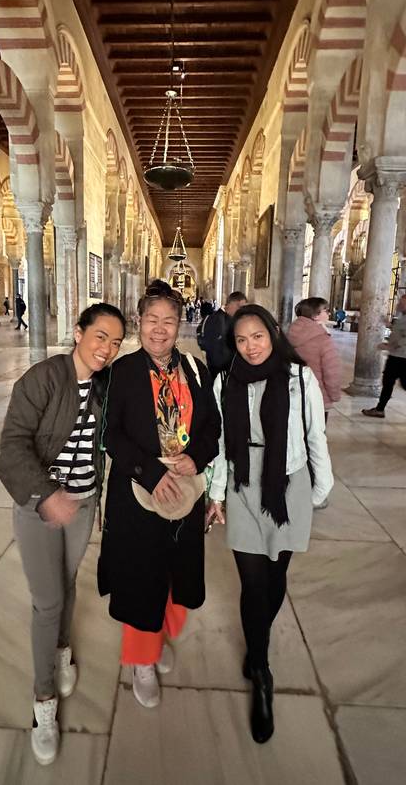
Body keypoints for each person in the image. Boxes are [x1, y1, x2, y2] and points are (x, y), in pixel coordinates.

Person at [0, 303, 125, 766]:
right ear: (78, 332)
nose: (106, 348)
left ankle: (63, 649)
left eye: (114, 341)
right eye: (100, 336)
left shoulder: (106, 384)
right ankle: (43, 702)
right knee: (47, 600)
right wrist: (48, 493)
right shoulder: (44, 378)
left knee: (67, 583)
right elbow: (11, 447)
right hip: (39, 504)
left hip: (84, 502)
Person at [207, 304, 333, 744]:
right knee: (253, 581)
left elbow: (315, 434)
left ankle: (255, 644)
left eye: (257, 336)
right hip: (244, 482)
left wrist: (319, 490)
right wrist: (217, 493)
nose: (250, 347)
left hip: (286, 482)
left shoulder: (299, 379)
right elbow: (223, 442)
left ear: (272, 333)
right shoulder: (225, 381)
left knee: (276, 573)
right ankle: (261, 669)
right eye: (241, 340)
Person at [98, 279, 221, 709]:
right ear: (139, 321)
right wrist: (150, 472)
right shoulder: (122, 372)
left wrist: (197, 458)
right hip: (138, 492)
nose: (160, 329)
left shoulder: (197, 368)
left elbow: (212, 427)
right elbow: (110, 435)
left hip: (185, 490)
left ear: (180, 324)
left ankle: (161, 632)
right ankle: (141, 659)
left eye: (169, 320)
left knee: (176, 571)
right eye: (152, 319)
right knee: (140, 576)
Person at [288, 297, 342, 422]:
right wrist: (334, 395)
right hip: (317, 395)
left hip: (295, 392)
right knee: (316, 437)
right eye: (325, 310)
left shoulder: (291, 333)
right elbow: (332, 372)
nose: (328, 313)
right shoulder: (323, 340)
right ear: (315, 315)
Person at [362, 293, 406, 419]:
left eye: (402, 303)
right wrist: (389, 325)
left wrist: (389, 347)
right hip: (396, 356)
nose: (399, 305)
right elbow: (400, 333)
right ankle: (380, 409)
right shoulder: (402, 316)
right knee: (388, 382)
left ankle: (380, 409)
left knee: (397, 383)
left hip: (401, 358)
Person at [200, 290, 247, 379]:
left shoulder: (231, 320)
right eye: (239, 307)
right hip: (222, 374)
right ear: (230, 304)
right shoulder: (215, 320)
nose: (241, 311)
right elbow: (215, 352)